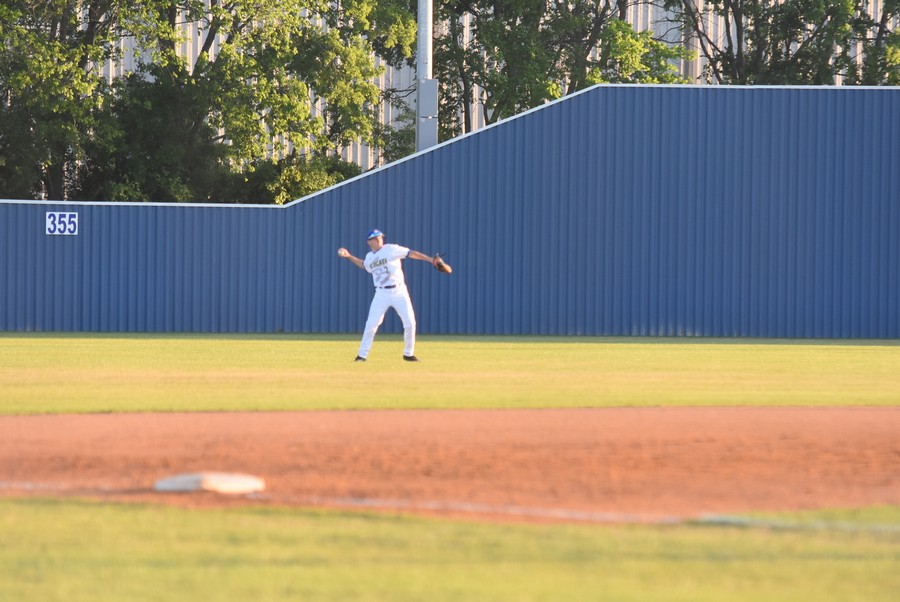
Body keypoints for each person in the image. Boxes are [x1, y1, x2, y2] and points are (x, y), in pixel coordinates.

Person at [337, 229, 437, 362]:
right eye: (375, 237)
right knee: (371, 324)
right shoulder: (369, 257)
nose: (378, 239)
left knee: (410, 323)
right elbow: (364, 265)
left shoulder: (391, 249)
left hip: (399, 291)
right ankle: (362, 355)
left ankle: (408, 354)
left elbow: (410, 253)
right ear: (369, 241)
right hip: (381, 293)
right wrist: (349, 256)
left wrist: (430, 260)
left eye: (379, 237)